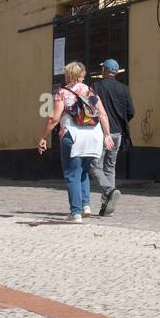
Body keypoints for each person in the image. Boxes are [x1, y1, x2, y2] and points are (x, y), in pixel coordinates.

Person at [37, 61, 113, 223]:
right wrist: (107, 135)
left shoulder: (62, 93)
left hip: (73, 135)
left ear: (68, 74)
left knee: (72, 174)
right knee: (83, 171)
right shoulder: (90, 91)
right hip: (94, 137)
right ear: (82, 74)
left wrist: (43, 137)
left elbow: (54, 118)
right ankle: (86, 205)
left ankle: (75, 213)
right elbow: (103, 114)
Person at [89, 59, 134, 216]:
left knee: (94, 165)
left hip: (101, 132)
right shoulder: (124, 89)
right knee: (110, 167)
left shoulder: (95, 87)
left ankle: (110, 190)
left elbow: (89, 109)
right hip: (117, 133)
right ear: (115, 72)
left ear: (104, 71)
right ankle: (107, 207)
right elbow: (131, 111)